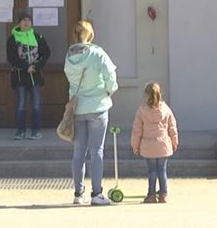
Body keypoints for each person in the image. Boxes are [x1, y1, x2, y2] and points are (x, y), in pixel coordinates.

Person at [64, 20, 118, 205]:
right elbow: (110, 76)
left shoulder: (69, 57)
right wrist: (109, 91)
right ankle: (97, 194)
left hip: (78, 108)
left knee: (78, 152)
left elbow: (70, 80)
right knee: (97, 151)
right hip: (98, 106)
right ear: (91, 35)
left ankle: (78, 194)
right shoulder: (97, 53)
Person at [7, 8, 50, 140]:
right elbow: (12, 57)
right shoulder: (13, 39)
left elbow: (46, 53)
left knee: (36, 105)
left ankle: (36, 131)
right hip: (21, 77)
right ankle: (20, 131)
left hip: (35, 77)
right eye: (23, 20)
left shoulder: (38, 37)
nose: (26, 23)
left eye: (28, 20)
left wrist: (36, 66)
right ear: (19, 23)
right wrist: (26, 67)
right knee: (21, 105)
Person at [131, 82, 178, 203]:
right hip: (163, 145)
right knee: (162, 170)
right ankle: (163, 194)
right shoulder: (166, 109)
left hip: (148, 146)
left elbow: (137, 130)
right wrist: (174, 141)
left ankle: (151, 194)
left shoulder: (141, 111)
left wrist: (135, 145)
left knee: (152, 171)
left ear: (146, 95)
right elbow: (172, 127)